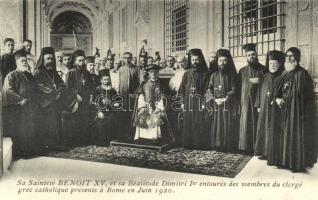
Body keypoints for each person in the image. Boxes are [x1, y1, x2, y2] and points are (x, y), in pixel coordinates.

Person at [271, 47, 317, 172]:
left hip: (296, 112)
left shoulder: (302, 73)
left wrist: (290, 101)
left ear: (297, 58)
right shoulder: (284, 73)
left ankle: (293, 162)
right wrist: (277, 98)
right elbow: (276, 90)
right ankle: (282, 160)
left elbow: (303, 96)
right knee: (283, 134)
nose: (289, 58)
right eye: (287, 56)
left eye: (292, 56)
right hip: (282, 111)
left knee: (293, 135)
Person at [33, 47, 77, 150]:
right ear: (42, 59)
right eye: (48, 59)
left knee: (57, 120)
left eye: (52, 59)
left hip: (55, 101)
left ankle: (56, 143)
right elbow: (39, 87)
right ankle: (49, 144)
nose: (50, 61)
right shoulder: (38, 72)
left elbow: (61, 84)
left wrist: (58, 92)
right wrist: (54, 94)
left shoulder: (53, 72)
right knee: (49, 121)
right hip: (44, 103)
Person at [2, 49, 39, 157]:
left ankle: (29, 151)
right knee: (19, 130)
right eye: (22, 61)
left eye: (25, 60)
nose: (24, 63)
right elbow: (8, 91)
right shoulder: (11, 75)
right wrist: (19, 100)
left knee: (30, 128)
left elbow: (36, 89)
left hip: (30, 107)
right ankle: (20, 153)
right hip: (18, 109)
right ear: (17, 63)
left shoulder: (29, 75)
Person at [206, 49, 238, 152]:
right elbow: (209, 89)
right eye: (220, 61)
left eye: (224, 61)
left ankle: (227, 146)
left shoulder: (232, 74)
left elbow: (234, 89)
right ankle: (217, 145)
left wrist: (226, 98)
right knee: (216, 124)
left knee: (227, 124)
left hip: (228, 105)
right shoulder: (213, 75)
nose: (222, 63)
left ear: (228, 61)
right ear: (217, 62)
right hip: (216, 105)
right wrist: (213, 99)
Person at [254, 50, 285, 159]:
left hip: (276, 109)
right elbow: (259, 91)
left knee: (274, 129)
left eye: (275, 63)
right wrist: (258, 105)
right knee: (263, 128)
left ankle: (274, 154)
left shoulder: (283, 76)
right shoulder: (265, 76)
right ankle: (264, 152)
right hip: (264, 108)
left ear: (280, 64)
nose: (272, 66)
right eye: (271, 63)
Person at [133, 64, 173, 144]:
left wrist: (159, 108)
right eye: (151, 72)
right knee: (141, 116)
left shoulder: (163, 83)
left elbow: (165, 97)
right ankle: (141, 137)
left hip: (159, 108)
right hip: (146, 107)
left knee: (155, 117)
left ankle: (156, 137)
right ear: (148, 73)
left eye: (155, 71)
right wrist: (142, 107)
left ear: (158, 72)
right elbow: (141, 95)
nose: (153, 73)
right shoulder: (144, 84)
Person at [237, 43, 266, 154]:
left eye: (253, 54)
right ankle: (245, 148)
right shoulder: (242, 71)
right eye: (249, 55)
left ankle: (257, 147)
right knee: (245, 124)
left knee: (257, 123)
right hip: (245, 103)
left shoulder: (263, 70)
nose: (251, 57)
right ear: (246, 57)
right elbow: (238, 88)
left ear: (256, 55)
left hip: (258, 103)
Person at [179, 48, 210, 149]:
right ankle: (188, 143)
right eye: (193, 60)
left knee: (199, 122)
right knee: (188, 122)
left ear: (200, 60)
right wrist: (182, 102)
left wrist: (205, 102)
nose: (195, 62)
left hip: (199, 103)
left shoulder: (206, 73)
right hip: (188, 103)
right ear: (190, 61)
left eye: (197, 60)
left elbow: (208, 90)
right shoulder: (187, 74)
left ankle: (199, 144)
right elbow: (182, 89)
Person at [64, 50, 94, 145]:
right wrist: (76, 95)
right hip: (75, 100)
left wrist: (90, 97)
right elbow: (68, 87)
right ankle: (75, 141)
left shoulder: (87, 73)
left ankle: (84, 140)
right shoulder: (70, 73)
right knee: (75, 120)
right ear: (75, 62)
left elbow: (90, 87)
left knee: (84, 119)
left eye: (83, 61)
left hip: (85, 99)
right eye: (79, 61)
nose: (81, 63)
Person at [117, 51, 140, 141]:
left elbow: (140, 82)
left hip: (132, 96)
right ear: (123, 59)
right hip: (123, 96)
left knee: (132, 114)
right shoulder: (121, 69)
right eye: (125, 58)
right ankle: (123, 134)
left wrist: (137, 94)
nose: (127, 60)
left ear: (131, 58)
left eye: (128, 58)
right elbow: (118, 83)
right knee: (123, 114)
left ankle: (132, 134)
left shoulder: (136, 69)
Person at [91, 70, 118, 146]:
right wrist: (98, 112)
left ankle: (109, 142)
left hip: (110, 112)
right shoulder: (97, 89)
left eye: (108, 79)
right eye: (104, 80)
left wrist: (114, 104)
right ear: (101, 80)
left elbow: (116, 102)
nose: (106, 81)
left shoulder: (113, 90)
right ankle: (100, 143)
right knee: (100, 125)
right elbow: (93, 103)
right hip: (99, 112)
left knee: (111, 121)